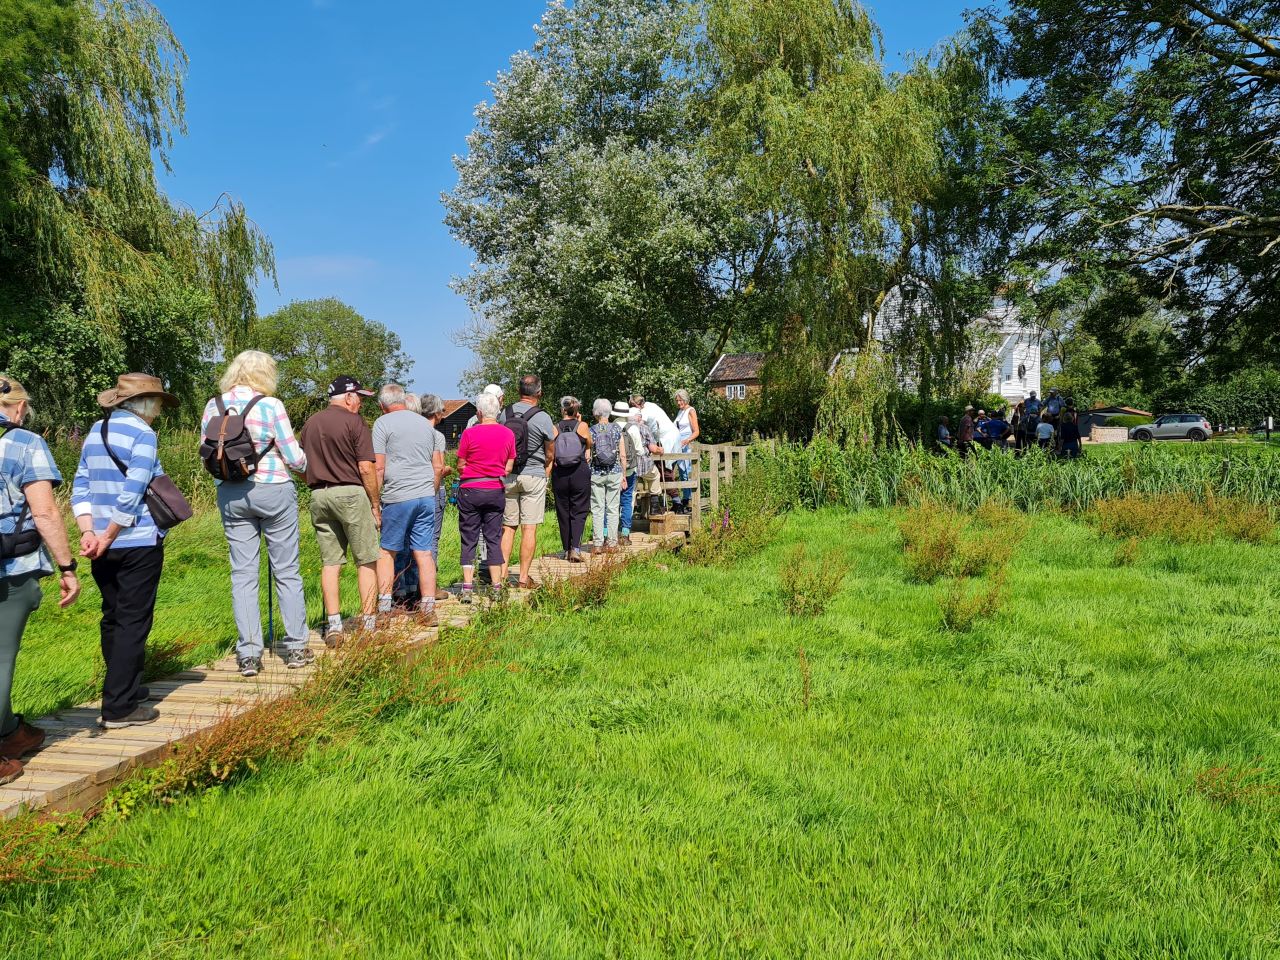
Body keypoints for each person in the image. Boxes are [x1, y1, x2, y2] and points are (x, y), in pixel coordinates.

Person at [71, 373, 177, 728]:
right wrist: (112, 532)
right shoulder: (143, 434)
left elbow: (80, 485)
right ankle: (119, 708)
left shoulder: (95, 431)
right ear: (144, 402)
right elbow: (134, 488)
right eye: (158, 401)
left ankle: (125, 687)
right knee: (134, 619)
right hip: (136, 540)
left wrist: (90, 532)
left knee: (113, 615)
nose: (160, 408)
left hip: (99, 542)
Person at [200, 351, 312, 677]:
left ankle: (249, 653)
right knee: (286, 570)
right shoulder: (270, 405)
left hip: (231, 493)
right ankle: (295, 647)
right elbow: (294, 456)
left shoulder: (214, 406)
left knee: (243, 574)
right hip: (274, 489)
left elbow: (206, 452)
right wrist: (306, 469)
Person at [0, 376, 79, 784]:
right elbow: (45, 513)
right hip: (9, 567)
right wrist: (66, 567)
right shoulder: (25, 443)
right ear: (17, 408)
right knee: (1, 657)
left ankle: (11, 733)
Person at [298, 376, 380, 646]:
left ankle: (334, 625)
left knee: (330, 562)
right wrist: (375, 502)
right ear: (348, 397)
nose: (361, 404)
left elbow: (296, 463)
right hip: (350, 492)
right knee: (366, 559)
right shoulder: (354, 422)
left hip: (318, 495)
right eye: (359, 398)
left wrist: (313, 480)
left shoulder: (310, 423)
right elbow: (366, 467)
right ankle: (369, 625)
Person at [372, 384, 439, 628]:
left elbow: (378, 467)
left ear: (382, 405)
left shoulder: (382, 424)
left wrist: (375, 501)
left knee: (387, 551)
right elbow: (435, 464)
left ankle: (384, 608)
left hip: (398, 495)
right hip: (425, 494)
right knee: (423, 552)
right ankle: (428, 608)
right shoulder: (425, 424)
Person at [456, 391, 515, 602]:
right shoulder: (508, 434)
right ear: (497, 412)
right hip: (495, 490)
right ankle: (497, 588)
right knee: (493, 538)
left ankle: (467, 588)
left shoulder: (469, 434)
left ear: (479, 412)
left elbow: (461, 464)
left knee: (469, 537)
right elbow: (508, 467)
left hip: (471, 489)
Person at [501, 375, 555, 589]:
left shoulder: (503, 414)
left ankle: (502, 576)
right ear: (539, 393)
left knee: (508, 527)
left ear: (518, 390)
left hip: (508, 475)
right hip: (533, 474)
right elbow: (550, 452)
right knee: (529, 528)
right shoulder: (543, 417)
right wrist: (545, 465)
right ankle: (523, 578)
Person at [550, 397, 592, 562]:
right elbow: (589, 442)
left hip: (560, 473)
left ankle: (567, 549)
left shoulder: (554, 428)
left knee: (563, 511)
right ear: (576, 411)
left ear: (562, 410)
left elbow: (550, 450)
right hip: (579, 472)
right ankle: (575, 548)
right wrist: (579, 422)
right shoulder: (582, 426)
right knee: (579, 510)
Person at [421, 394, 453, 597]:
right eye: (442, 411)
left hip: (410, 490)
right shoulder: (436, 436)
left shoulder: (410, 431)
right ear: (436, 413)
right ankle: (431, 587)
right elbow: (438, 468)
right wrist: (447, 470)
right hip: (433, 489)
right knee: (432, 538)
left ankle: (409, 586)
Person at [629, 394, 680, 512]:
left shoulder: (644, 412)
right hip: (666, 437)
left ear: (638, 405)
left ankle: (675, 502)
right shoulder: (650, 406)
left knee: (664, 470)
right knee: (660, 471)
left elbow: (641, 431)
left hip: (666, 439)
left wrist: (654, 449)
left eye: (633, 406)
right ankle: (660, 504)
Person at [589, 399, 628, 553]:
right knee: (613, 508)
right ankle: (612, 544)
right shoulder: (617, 429)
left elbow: (588, 455)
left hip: (596, 473)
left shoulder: (591, 430)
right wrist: (624, 474)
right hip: (614, 472)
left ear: (595, 412)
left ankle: (597, 544)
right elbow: (623, 455)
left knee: (598, 509)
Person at [625, 409, 661, 525]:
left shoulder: (623, 427)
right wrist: (660, 450)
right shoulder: (643, 428)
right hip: (644, 464)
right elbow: (653, 449)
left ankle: (625, 522)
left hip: (628, 464)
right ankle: (655, 507)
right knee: (655, 475)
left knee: (631, 491)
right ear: (639, 417)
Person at [672, 390, 700, 514]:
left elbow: (696, 431)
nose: (678, 403)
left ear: (685, 399)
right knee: (680, 470)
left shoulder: (691, 411)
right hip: (678, 444)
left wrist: (687, 440)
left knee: (686, 472)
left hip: (686, 444)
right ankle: (681, 500)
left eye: (680, 400)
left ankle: (687, 500)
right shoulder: (680, 411)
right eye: (677, 401)